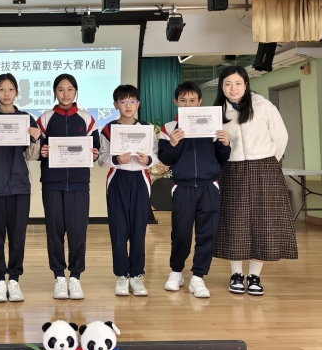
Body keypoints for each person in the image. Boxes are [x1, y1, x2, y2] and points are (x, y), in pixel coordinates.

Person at [213, 66, 297, 296]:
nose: (233, 88)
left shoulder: (263, 106)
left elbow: (281, 137)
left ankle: (254, 276)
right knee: (234, 221)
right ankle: (236, 274)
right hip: (232, 169)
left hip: (265, 168)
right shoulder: (217, 113)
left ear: (246, 84)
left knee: (264, 222)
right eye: (227, 84)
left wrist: (267, 161)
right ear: (222, 87)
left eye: (237, 83)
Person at [157, 82, 231, 298]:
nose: (188, 104)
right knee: (180, 233)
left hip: (209, 186)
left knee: (207, 233)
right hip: (183, 187)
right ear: (175, 102)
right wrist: (172, 143)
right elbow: (165, 159)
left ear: (200, 102)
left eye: (192, 100)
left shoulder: (212, 124)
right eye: (183, 100)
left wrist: (225, 144)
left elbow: (222, 158)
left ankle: (198, 277)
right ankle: (176, 272)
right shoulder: (169, 128)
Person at [0, 73, 41, 302]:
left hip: (20, 186)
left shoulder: (26, 119)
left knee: (18, 236)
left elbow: (31, 156)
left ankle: (14, 279)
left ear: (16, 92)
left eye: (11, 89)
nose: (6, 94)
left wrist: (35, 139)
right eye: (2, 89)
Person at [37, 74, 100, 300]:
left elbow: (95, 149)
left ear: (76, 91)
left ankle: (75, 277)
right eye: (61, 89)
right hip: (52, 184)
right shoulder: (45, 119)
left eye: (70, 89)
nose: (65, 94)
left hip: (79, 184)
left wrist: (94, 154)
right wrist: (42, 152)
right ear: (55, 92)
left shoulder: (87, 119)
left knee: (77, 231)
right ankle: (58, 277)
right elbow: (36, 149)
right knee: (54, 231)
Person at [98, 84, 159, 297]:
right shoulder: (108, 129)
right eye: (123, 101)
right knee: (119, 229)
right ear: (116, 105)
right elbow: (101, 159)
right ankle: (121, 276)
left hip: (140, 180)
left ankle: (137, 275)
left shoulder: (147, 128)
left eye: (132, 101)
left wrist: (147, 160)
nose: (128, 105)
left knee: (138, 230)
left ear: (138, 104)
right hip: (117, 179)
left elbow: (156, 155)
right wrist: (116, 159)